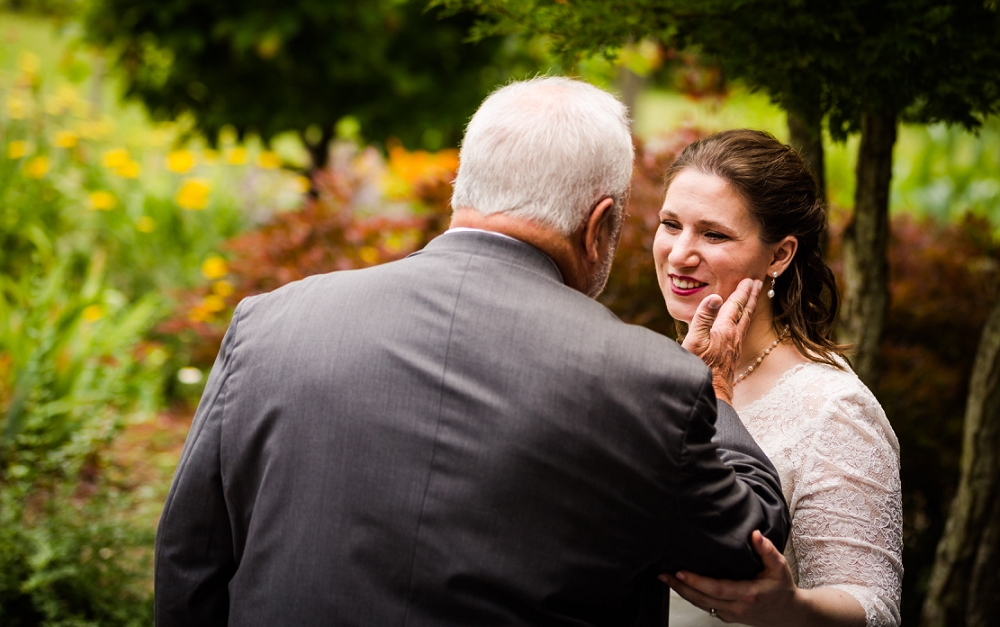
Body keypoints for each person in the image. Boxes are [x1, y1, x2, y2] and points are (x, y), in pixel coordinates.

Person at [154, 78, 790, 626]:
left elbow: (191, 557)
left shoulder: (269, 323)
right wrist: (715, 385)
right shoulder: (648, 380)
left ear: (465, 186)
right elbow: (744, 544)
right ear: (599, 226)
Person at [653, 129, 903, 627]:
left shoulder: (831, 407)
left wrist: (790, 607)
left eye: (713, 234)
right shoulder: (654, 368)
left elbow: (876, 606)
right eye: (670, 224)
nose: (680, 253)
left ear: (779, 256)